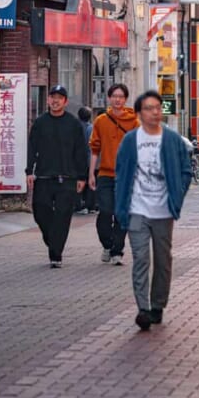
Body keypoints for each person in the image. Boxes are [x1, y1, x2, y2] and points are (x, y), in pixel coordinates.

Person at [114, 89, 192, 331]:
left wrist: (176, 197)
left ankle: (158, 305)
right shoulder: (130, 140)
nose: (155, 112)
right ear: (139, 113)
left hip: (163, 211)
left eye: (158, 107)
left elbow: (186, 170)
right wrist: (121, 207)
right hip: (137, 209)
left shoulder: (171, 139)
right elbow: (121, 173)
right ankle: (143, 309)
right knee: (141, 259)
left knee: (163, 260)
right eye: (149, 108)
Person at [25, 84, 87, 269]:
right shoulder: (40, 123)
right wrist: (29, 171)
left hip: (67, 177)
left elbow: (80, 152)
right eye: (53, 97)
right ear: (48, 100)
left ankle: (56, 253)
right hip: (44, 176)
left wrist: (82, 177)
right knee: (40, 211)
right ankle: (52, 240)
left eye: (59, 98)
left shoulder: (74, 124)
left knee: (62, 215)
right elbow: (32, 148)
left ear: (65, 102)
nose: (55, 100)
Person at [88, 83, 139, 265]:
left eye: (121, 96)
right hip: (105, 174)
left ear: (125, 99)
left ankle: (117, 251)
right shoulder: (101, 121)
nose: (117, 99)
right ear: (109, 98)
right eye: (114, 96)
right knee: (105, 211)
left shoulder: (134, 122)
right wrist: (91, 174)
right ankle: (107, 244)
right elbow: (95, 149)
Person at [75, 106, 96, 214]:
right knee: (89, 182)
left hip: (74, 159)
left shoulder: (74, 126)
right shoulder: (90, 128)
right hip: (87, 159)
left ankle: (77, 205)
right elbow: (91, 146)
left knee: (77, 181)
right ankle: (89, 205)